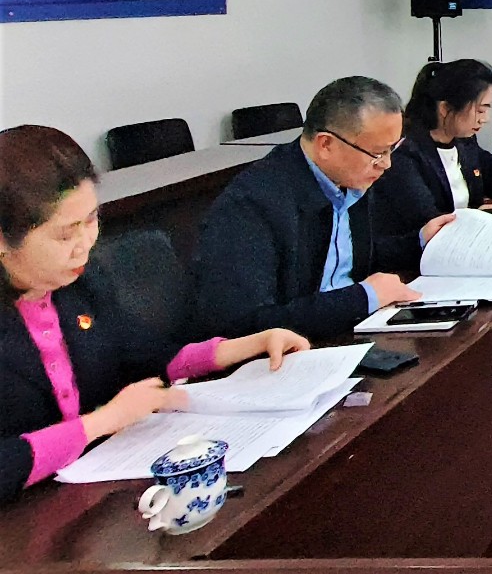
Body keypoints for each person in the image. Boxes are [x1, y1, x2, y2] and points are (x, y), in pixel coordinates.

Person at [1, 126, 309, 503]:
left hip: (93, 491)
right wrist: (101, 422)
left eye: (91, 220)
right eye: (65, 234)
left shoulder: (79, 286)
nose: (85, 245)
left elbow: (147, 355)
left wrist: (246, 346)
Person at [190, 77, 452, 342]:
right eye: (377, 153)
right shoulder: (253, 205)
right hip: (299, 348)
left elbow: (351, 257)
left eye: (392, 149)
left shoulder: (350, 178)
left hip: (349, 326)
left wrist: (420, 241)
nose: (387, 164)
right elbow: (242, 324)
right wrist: (362, 298)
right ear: (326, 144)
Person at [370, 60, 492, 257]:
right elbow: (435, 224)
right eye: (480, 110)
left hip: (469, 250)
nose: (485, 119)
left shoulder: (465, 144)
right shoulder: (405, 155)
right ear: (445, 108)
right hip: (420, 261)